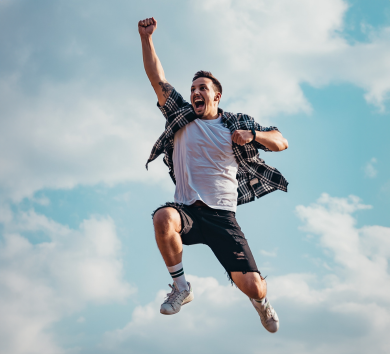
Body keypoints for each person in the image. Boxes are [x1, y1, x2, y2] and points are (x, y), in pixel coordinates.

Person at [139, 17, 289, 333]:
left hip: (223, 218)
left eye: (202, 88)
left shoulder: (234, 123)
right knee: (163, 218)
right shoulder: (180, 114)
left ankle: (261, 303)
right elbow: (157, 79)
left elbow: (281, 140)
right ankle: (181, 287)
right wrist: (146, 38)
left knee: (254, 286)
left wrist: (253, 135)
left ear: (216, 96)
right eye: (193, 88)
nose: (195, 92)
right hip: (187, 212)